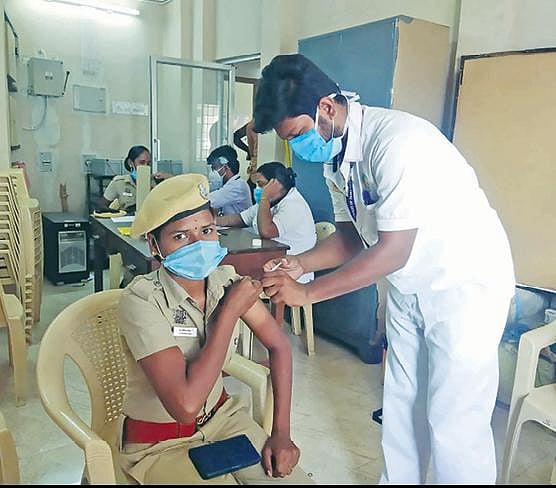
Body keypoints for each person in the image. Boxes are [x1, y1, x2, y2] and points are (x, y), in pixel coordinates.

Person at [255, 54, 515, 484]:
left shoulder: (397, 142)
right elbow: (350, 239)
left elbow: (392, 250)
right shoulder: (337, 160)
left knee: (454, 420)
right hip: (410, 285)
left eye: (298, 134)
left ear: (326, 107)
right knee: (401, 403)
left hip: (464, 286)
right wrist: (300, 263)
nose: (298, 148)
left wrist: (307, 292)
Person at [118, 173, 312, 484]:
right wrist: (230, 311)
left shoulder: (225, 281)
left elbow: (279, 346)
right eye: (181, 236)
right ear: (154, 245)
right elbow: (186, 407)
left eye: (207, 231)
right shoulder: (141, 300)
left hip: (223, 421)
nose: (199, 244)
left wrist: (281, 433)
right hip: (158, 442)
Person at [217, 161, 316, 284]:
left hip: (289, 269)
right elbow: (240, 218)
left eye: (261, 184)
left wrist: (265, 197)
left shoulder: (293, 205)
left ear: (276, 184)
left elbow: (267, 232)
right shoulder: (271, 201)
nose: (257, 189)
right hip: (268, 258)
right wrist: (211, 221)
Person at [100, 145, 151, 211]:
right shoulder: (119, 182)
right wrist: (116, 213)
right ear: (131, 163)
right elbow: (102, 206)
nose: (145, 166)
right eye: (141, 163)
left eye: (148, 163)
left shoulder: (154, 182)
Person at [206, 145, 252, 215]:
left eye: (214, 167)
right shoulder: (226, 185)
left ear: (226, 167)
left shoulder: (238, 185)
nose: (212, 172)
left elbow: (209, 201)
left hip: (238, 222)